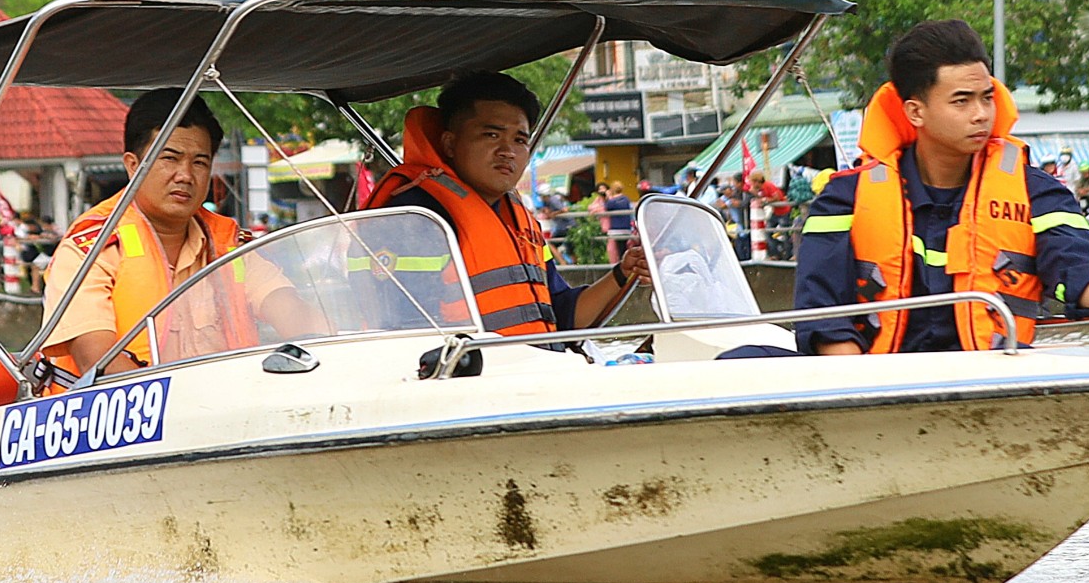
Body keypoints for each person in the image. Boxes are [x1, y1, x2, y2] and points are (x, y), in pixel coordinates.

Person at [793, 19, 1089, 354]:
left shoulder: (1035, 191)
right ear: (915, 112)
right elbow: (824, 316)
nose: (981, 114)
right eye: (961, 101)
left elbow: (1077, 269)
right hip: (876, 382)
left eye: (987, 97)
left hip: (993, 379)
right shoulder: (844, 200)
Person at [44, 90, 319, 377]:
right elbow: (95, 360)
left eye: (199, 162)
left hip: (228, 407)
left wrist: (328, 345)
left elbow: (293, 313)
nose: (185, 175)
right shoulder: (91, 247)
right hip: (130, 415)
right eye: (170, 159)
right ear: (132, 165)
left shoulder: (228, 243)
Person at [362, 72, 648, 336]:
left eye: (519, 139)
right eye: (492, 135)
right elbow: (403, 337)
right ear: (450, 144)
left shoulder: (517, 218)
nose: (508, 151)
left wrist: (625, 271)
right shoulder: (414, 219)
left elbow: (563, 315)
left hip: (532, 373)